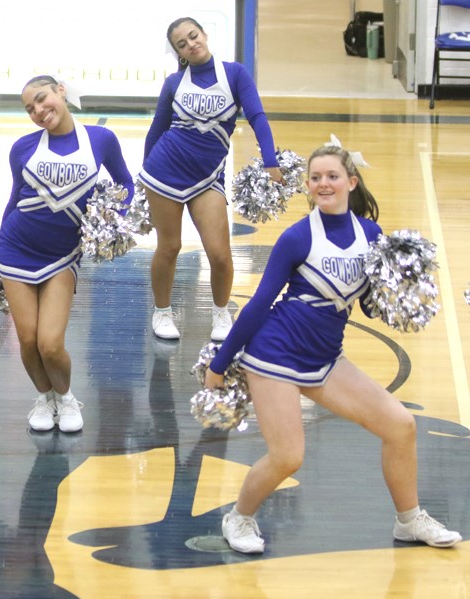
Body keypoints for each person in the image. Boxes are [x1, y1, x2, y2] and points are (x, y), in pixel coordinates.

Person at [205, 143, 462, 554]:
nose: (324, 183)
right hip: (275, 355)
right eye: (316, 178)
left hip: (324, 359)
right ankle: (238, 517)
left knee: (401, 426)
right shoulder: (298, 237)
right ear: (307, 187)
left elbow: (368, 304)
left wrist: (397, 294)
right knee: (288, 456)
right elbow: (259, 303)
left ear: (351, 182)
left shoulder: (371, 235)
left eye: (332, 176)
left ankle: (409, 520)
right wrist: (220, 363)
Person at [0, 75, 134, 434]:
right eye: (30, 108)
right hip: (16, 249)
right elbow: (14, 201)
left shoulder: (100, 140)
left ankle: (67, 397)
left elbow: (126, 184)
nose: (39, 111)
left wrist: (114, 220)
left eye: (42, 99)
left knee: (50, 343)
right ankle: (45, 397)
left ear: (60, 91)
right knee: (27, 340)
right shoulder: (22, 148)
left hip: (61, 256)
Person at [137, 17, 284, 342]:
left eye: (193, 36)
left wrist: (270, 160)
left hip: (207, 178)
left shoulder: (234, 74)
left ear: (204, 34)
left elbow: (257, 116)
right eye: (182, 44)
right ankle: (162, 312)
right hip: (164, 172)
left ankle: (221, 314)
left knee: (219, 253)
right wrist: (142, 178)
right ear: (179, 52)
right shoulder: (174, 82)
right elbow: (158, 129)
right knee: (170, 246)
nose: (191, 44)